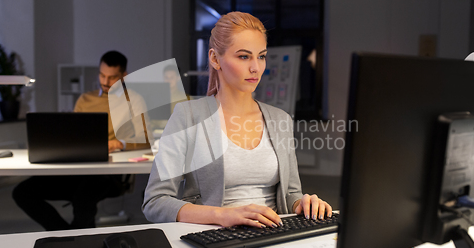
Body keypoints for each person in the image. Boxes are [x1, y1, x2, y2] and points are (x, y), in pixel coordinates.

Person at [142, 12, 332, 228]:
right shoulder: (188, 116)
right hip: (213, 235)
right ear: (215, 59)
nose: (256, 67)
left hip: (271, 234)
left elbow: (290, 195)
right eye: (244, 56)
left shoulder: (281, 120)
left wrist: (303, 203)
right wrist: (223, 215)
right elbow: (155, 202)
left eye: (261, 56)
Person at [13, 51, 149, 230]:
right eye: (102, 75)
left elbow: (145, 140)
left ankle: (76, 240)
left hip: (108, 174)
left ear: (124, 76)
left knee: (83, 197)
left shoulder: (135, 100)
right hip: (77, 167)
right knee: (22, 192)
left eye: (112, 77)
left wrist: (119, 143)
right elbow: (73, 134)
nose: (105, 82)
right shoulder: (85, 99)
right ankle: (65, 234)